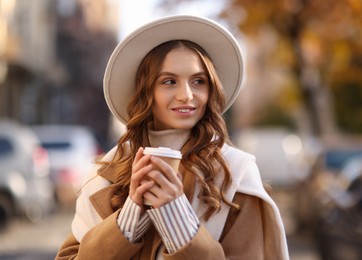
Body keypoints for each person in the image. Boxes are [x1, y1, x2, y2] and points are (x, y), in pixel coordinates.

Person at [56, 15, 289, 259]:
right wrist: (130, 217)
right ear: (146, 91)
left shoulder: (235, 174)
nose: (186, 95)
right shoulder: (105, 173)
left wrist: (178, 220)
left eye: (198, 81)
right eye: (169, 81)